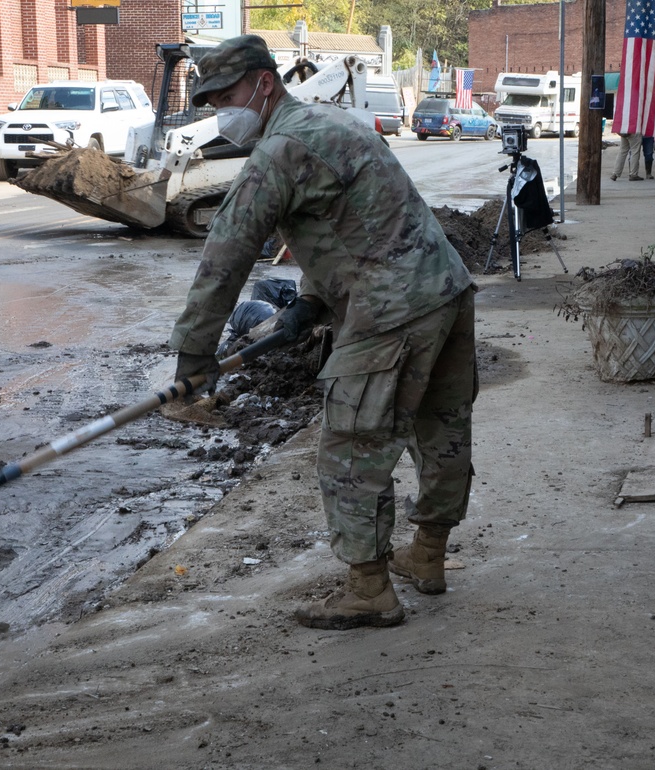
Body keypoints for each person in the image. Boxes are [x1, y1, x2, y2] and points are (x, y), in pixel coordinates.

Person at [169, 35, 477, 631]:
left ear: (264, 83)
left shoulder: (278, 150)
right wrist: (310, 302)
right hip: (445, 291)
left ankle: (369, 590)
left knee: (352, 448)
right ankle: (429, 556)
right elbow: (352, 220)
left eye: (227, 96)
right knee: (442, 428)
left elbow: (225, 257)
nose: (220, 112)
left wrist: (193, 356)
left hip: (390, 313)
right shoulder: (331, 124)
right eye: (209, 102)